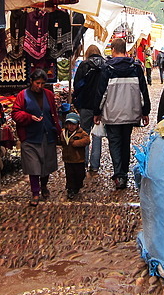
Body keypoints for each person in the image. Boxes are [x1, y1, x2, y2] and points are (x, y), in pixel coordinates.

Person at [93, 37, 150, 190]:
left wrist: (97, 112)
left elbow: (101, 93)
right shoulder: (136, 68)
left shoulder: (107, 69)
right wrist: (145, 112)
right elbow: (143, 92)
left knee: (115, 143)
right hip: (131, 113)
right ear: (125, 50)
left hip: (112, 114)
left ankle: (119, 175)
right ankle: (123, 171)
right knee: (125, 142)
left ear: (112, 49)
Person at [11, 69, 61, 206]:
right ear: (31, 82)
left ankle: (44, 186)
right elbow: (15, 113)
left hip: (46, 134)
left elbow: (53, 113)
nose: (40, 86)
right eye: (37, 83)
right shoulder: (23, 95)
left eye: (43, 83)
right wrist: (29, 117)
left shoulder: (49, 95)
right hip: (30, 135)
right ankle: (35, 192)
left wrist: (57, 129)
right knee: (33, 166)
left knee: (46, 164)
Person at [72, 44, 106, 174]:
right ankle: (95, 164)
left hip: (85, 104)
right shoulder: (105, 65)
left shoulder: (84, 65)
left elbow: (78, 85)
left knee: (84, 133)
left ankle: (83, 161)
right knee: (97, 134)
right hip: (100, 105)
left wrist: (76, 99)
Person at [60, 112, 90, 199]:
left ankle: (78, 185)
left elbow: (87, 140)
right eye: (69, 124)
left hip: (78, 159)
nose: (71, 126)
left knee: (80, 174)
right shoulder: (64, 133)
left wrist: (76, 143)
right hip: (68, 159)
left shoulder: (81, 133)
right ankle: (70, 189)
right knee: (70, 175)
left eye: (73, 124)